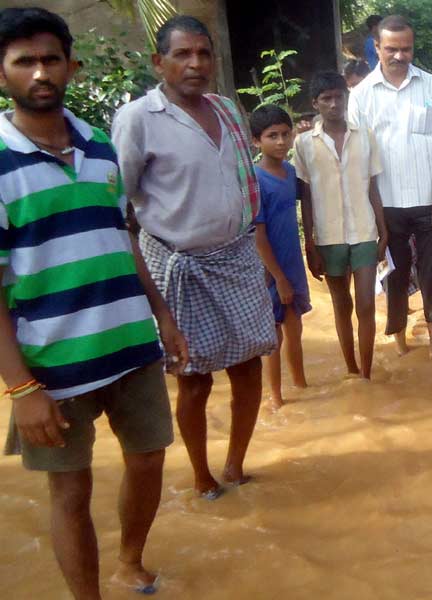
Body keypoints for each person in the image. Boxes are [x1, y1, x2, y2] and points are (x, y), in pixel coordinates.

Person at [0, 8, 187, 596]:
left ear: (70, 66)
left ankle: (130, 559)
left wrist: (162, 315)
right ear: (3, 72)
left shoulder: (100, 147)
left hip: (132, 344)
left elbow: (123, 239)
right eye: (23, 61)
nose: (39, 73)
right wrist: (21, 388)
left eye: (50, 59)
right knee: (71, 491)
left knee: (151, 458)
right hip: (52, 366)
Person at [112, 15, 277, 498]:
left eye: (204, 53)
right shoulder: (138, 119)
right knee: (193, 379)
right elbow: (120, 205)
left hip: (237, 258)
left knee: (248, 368)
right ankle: (202, 475)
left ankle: (235, 465)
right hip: (178, 263)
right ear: (158, 62)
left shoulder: (225, 109)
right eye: (183, 54)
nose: (195, 63)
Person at [348, 16, 432, 359]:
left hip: (428, 202)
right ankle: (401, 345)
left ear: (412, 48)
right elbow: (358, 160)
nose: (398, 55)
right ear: (376, 48)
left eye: (405, 48)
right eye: (391, 48)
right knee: (393, 276)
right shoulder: (362, 95)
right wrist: (371, 216)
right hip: (386, 207)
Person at [297, 71, 387, 379]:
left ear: (346, 98)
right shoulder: (304, 144)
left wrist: (383, 232)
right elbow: (305, 197)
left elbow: (373, 187)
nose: (334, 104)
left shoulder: (365, 136)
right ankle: (350, 366)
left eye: (339, 97)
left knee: (365, 304)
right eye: (327, 99)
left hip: (364, 231)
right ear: (316, 103)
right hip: (328, 236)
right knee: (341, 306)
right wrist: (310, 243)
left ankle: (366, 373)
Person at [249, 105, 311, 409]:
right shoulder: (255, 180)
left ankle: (300, 384)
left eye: (286, 134)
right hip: (269, 270)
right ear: (256, 141)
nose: (281, 141)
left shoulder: (289, 172)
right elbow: (259, 237)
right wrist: (279, 277)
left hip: (291, 262)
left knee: (295, 326)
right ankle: (275, 398)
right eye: (272, 136)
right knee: (274, 336)